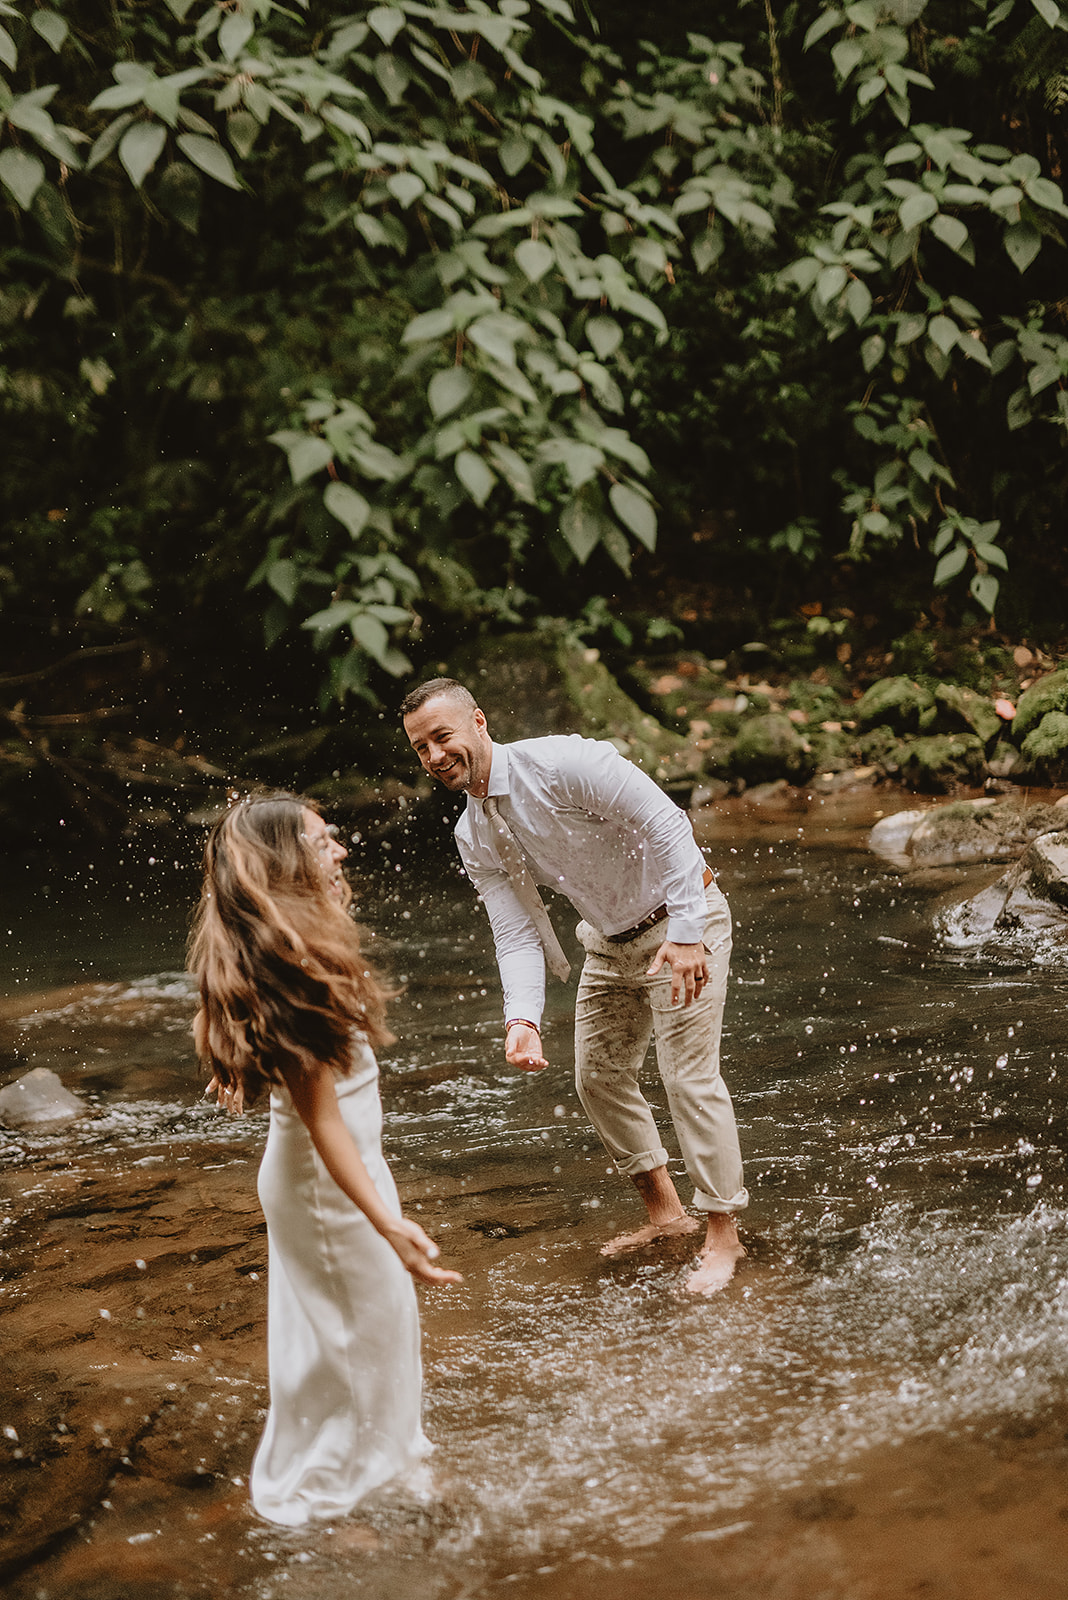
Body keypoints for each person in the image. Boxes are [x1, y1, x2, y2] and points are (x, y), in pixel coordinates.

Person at [401, 679, 747, 1296]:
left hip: (683, 921)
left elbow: (667, 822)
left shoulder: (565, 762)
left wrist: (690, 931)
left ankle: (723, 1235)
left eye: (442, 736)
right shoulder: (472, 834)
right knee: (599, 1077)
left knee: (686, 1076)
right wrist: (523, 1018)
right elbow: (514, 934)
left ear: (478, 721)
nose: (433, 756)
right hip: (609, 942)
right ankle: (666, 1216)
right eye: (420, 747)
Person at [188, 792, 460, 1527]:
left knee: (364, 1333)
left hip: (332, 1169)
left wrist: (231, 1060)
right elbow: (323, 1120)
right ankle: (324, 1495)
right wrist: (387, 1224)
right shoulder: (289, 957)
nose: (338, 850)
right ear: (285, 862)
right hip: (326, 1178)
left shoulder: (276, 945)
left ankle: (386, 1466)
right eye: (319, 841)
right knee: (359, 1338)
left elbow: (216, 1014)